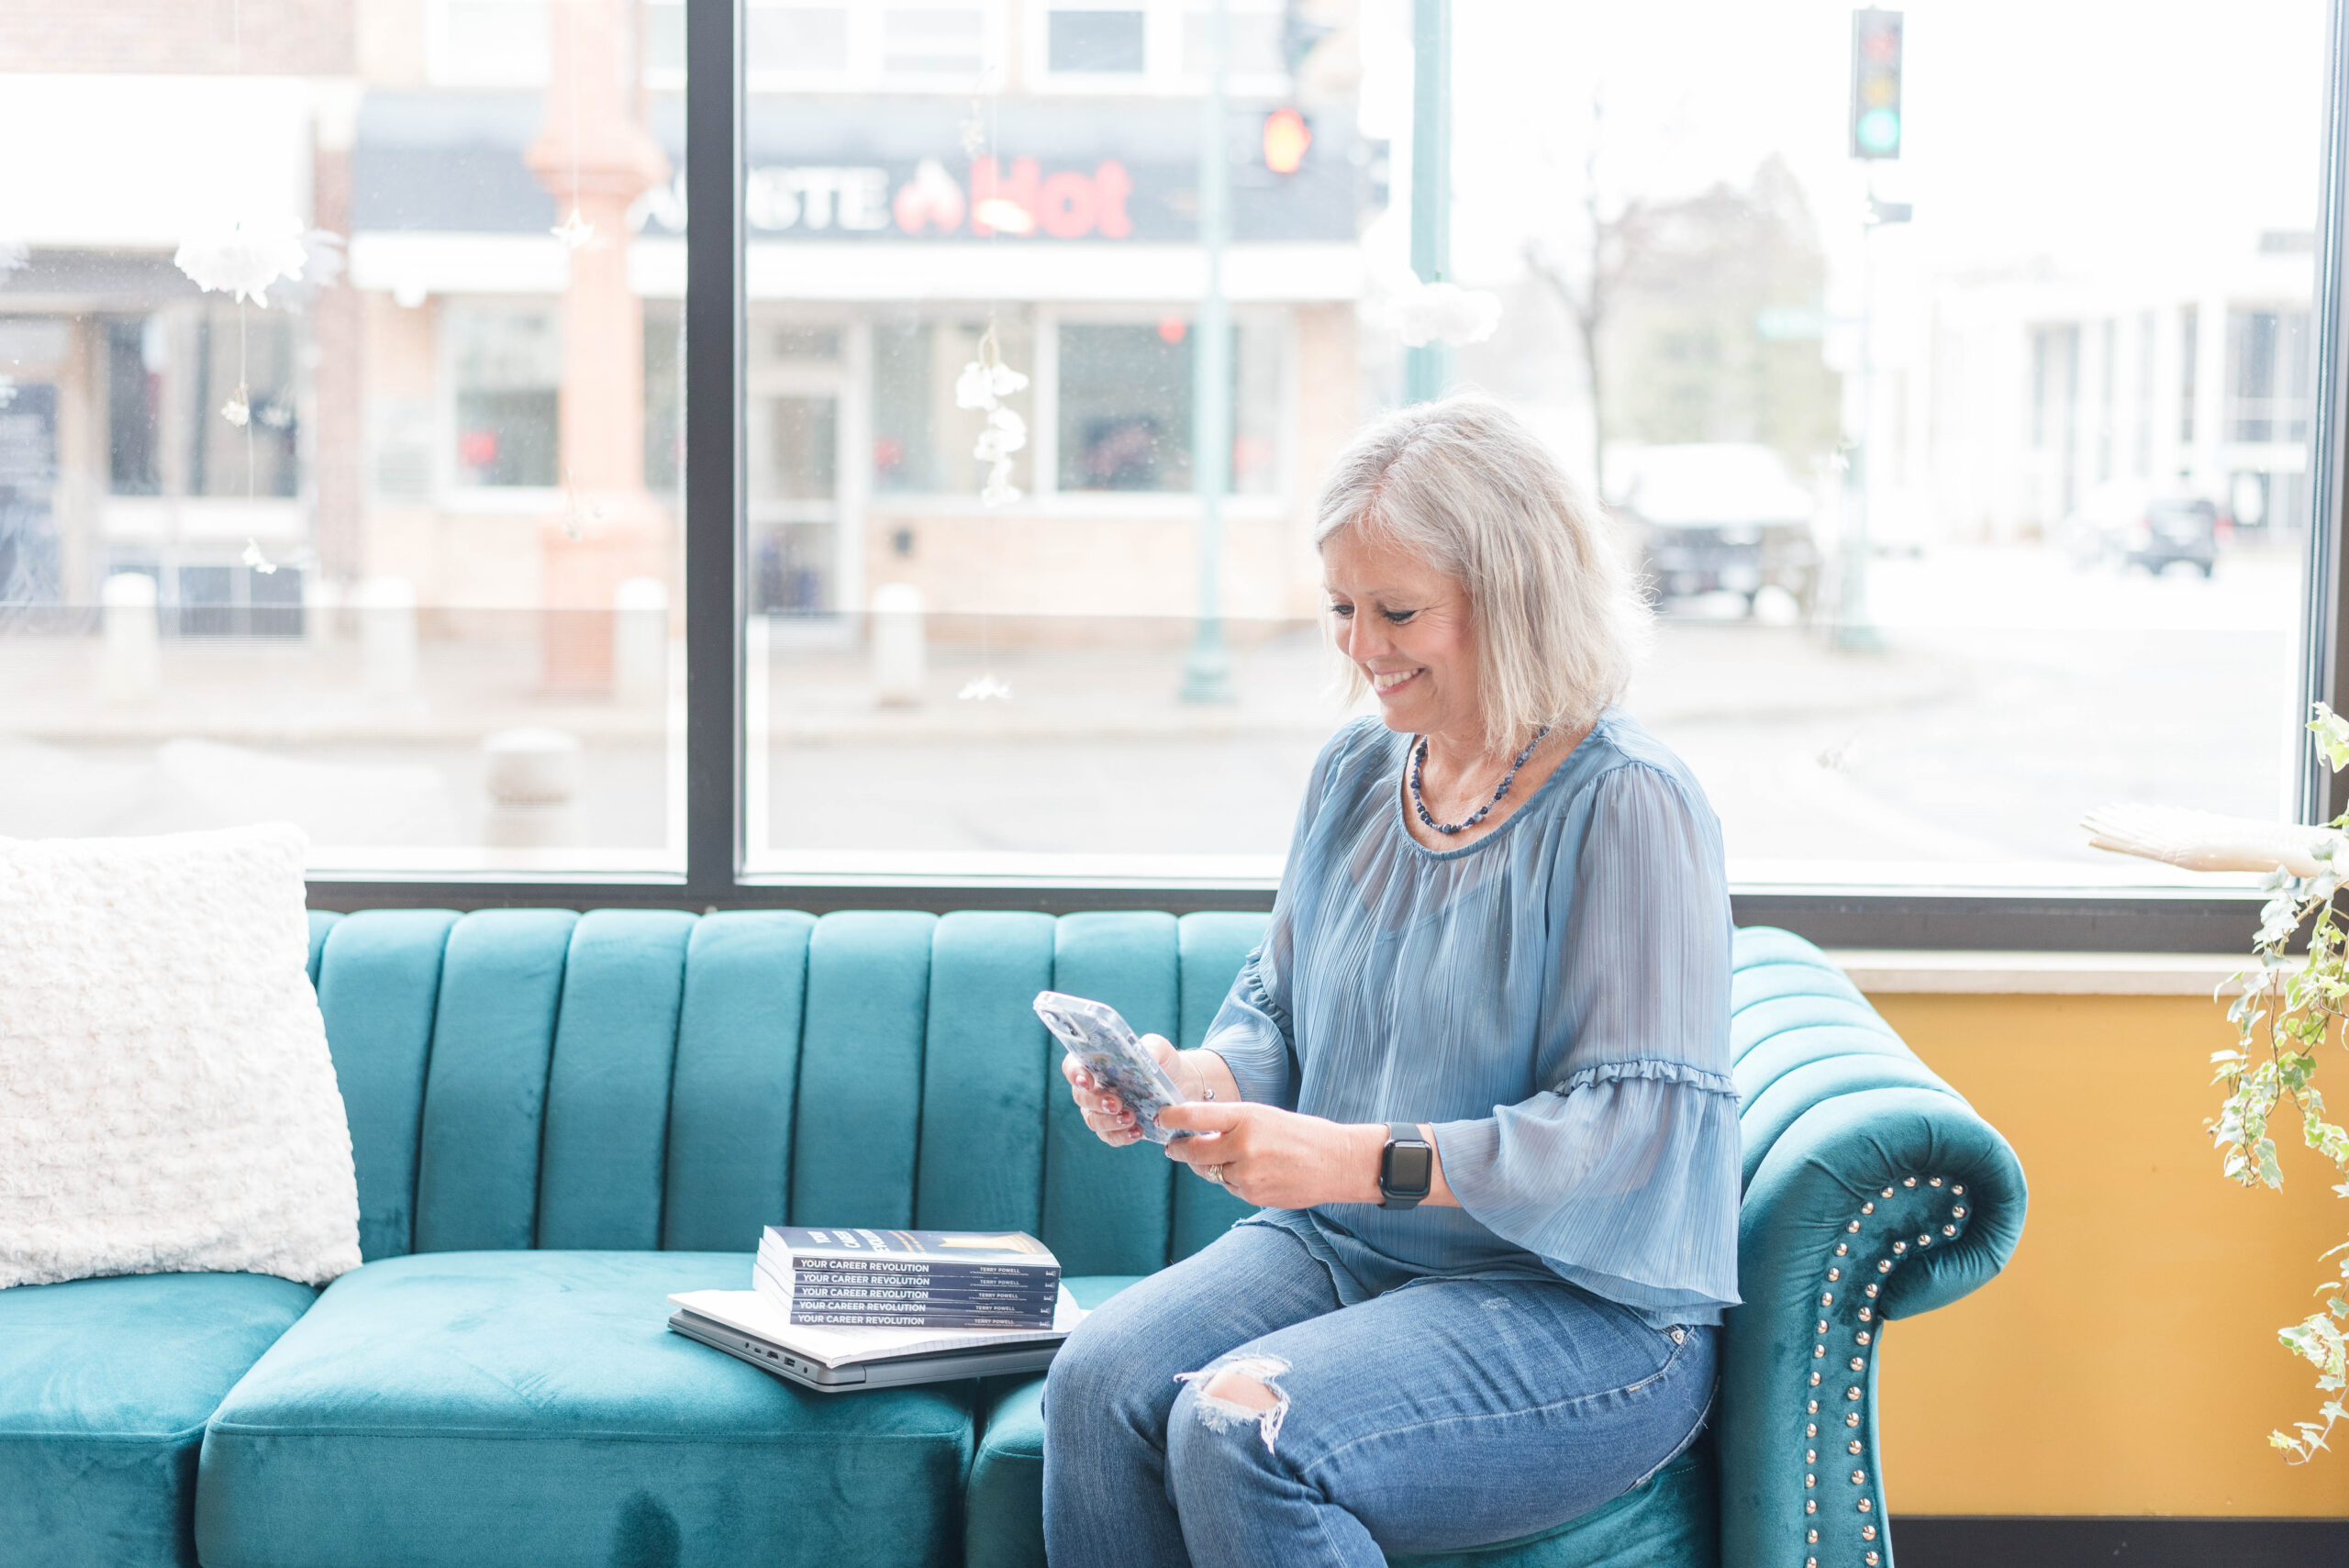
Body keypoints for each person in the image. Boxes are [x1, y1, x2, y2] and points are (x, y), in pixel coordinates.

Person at [1041, 396, 1741, 1567]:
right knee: (1092, 1382)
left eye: (1398, 610)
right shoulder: (1361, 771)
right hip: (1347, 1246)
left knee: (1244, 1429)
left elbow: (1634, 1133)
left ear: (1516, 596)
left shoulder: (1629, 803)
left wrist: (1346, 1160)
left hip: (1581, 1308)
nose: (1363, 646)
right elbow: (1280, 1005)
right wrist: (1192, 1080)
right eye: (1341, 608)